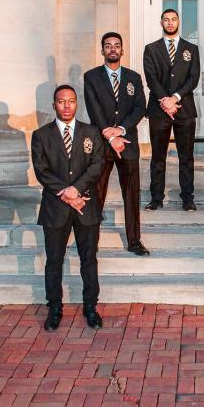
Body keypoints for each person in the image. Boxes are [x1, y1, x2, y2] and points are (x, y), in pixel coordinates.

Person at [31, 85, 105, 331]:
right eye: (61, 101)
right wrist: (66, 192)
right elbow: (42, 171)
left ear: (77, 104)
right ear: (54, 105)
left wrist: (76, 189)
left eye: (71, 101)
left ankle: (90, 307)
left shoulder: (91, 132)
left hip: (86, 206)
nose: (66, 106)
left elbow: (97, 164)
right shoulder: (41, 135)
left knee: (89, 259)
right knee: (54, 260)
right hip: (55, 207)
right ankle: (54, 308)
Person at [84, 32, 149, 256]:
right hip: (102, 145)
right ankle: (91, 240)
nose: (113, 49)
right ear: (102, 50)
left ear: (123, 50)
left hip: (128, 144)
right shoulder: (91, 77)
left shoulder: (133, 77)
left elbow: (140, 107)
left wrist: (121, 130)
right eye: (108, 46)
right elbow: (94, 109)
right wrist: (111, 137)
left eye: (117, 45)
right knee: (97, 193)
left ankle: (134, 241)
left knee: (131, 195)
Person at [143, 8, 200, 211]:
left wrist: (175, 98)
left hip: (184, 110)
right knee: (158, 157)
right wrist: (164, 100)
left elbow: (194, 78)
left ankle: (187, 198)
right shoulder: (151, 49)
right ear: (161, 23)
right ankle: (156, 198)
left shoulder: (191, 49)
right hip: (159, 111)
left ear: (178, 22)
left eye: (173, 19)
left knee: (187, 157)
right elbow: (150, 77)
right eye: (166, 20)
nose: (170, 23)